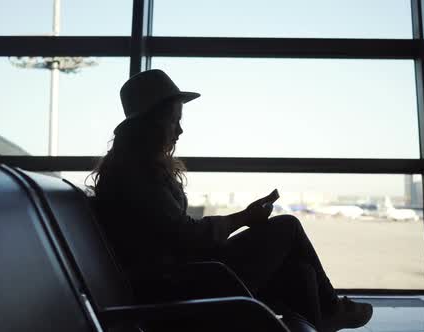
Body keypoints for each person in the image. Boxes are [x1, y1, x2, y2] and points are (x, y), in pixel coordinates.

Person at [91, 69, 373, 332]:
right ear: (151, 123)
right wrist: (243, 219)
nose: (179, 131)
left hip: (181, 275)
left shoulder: (128, 167)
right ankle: (330, 310)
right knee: (287, 227)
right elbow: (184, 235)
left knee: (300, 273)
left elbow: (172, 232)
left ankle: (324, 315)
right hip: (180, 284)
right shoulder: (137, 171)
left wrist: (241, 220)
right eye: (174, 121)